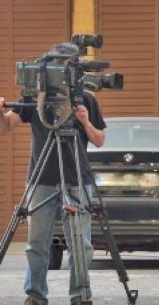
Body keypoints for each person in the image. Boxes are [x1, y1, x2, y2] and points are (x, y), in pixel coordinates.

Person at [0, 42, 106, 305]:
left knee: (81, 243)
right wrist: (1, 112)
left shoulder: (86, 98)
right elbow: (7, 126)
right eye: (57, 64)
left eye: (67, 64)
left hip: (76, 178)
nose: (61, 70)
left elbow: (100, 139)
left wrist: (85, 122)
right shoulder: (35, 95)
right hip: (41, 178)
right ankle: (35, 294)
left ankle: (81, 296)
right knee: (37, 242)